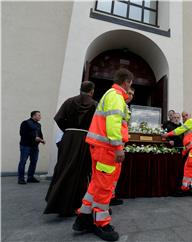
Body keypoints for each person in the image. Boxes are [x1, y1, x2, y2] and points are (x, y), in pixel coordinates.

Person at [72, 68, 133, 241]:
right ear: (127, 81)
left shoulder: (112, 95)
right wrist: (118, 147)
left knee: (96, 184)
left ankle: (83, 218)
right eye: (130, 83)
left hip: (101, 147)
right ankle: (101, 223)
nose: (130, 86)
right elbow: (113, 123)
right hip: (107, 149)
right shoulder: (115, 96)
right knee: (105, 186)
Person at [44, 81, 97, 216]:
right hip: (84, 139)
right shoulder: (94, 104)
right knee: (80, 171)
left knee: (62, 167)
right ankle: (75, 203)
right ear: (91, 91)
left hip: (68, 138)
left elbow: (59, 118)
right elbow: (97, 124)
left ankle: (55, 200)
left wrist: (68, 130)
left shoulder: (69, 101)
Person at [162, 111, 192, 197]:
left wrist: (167, 134)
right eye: (183, 116)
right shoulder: (191, 126)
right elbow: (189, 141)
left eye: (186, 115)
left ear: (190, 115)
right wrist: (184, 151)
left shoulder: (190, 121)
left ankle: (184, 189)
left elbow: (179, 130)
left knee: (188, 167)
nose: (185, 117)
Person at [18, 111, 45, 184]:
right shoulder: (25, 123)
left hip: (35, 147)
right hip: (25, 146)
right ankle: (21, 179)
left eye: (40, 115)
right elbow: (22, 133)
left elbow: (40, 134)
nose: (40, 117)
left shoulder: (39, 125)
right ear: (34, 116)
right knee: (23, 162)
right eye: (39, 115)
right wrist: (34, 138)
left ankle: (30, 177)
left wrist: (42, 140)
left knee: (33, 162)